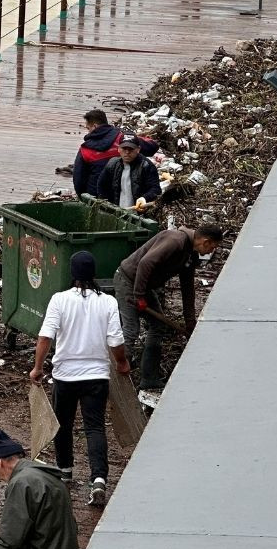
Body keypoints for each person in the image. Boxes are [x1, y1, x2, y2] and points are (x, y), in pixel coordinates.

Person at [30, 251, 130, 507]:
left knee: (63, 424)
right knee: (94, 427)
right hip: (96, 376)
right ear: (94, 273)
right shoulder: (107, 302)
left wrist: (37, 368)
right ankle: (98, 479)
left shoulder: (59, 300)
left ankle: (65, 471)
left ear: (72, 274)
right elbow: (116, 341)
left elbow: (45, 338)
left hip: (65, 376)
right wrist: (121, 363)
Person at [113, 224, 223, 393]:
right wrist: (139, 296)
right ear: (206, 241)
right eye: (212, 247)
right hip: (128, 280)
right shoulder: (175, 241)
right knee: (131, 330)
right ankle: (115, 382)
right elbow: (145, 263)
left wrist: (190, 323)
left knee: (158, 326)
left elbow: (188, 289)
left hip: (144, 286)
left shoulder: (190, 255)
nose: (210, 252)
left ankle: (149, 379)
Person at [98, 134, 162, 209]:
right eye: (124, 148)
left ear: (138, 149)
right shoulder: (112, 164)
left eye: (131, 149)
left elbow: (156, 189)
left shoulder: (146, 166)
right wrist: (106, 205)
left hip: (137, 212)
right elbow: (101, 186)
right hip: (116, 210)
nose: (127, 152)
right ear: (118, 149)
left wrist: (144, 198)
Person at [72, 109, 124, 198]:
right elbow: (150, 147)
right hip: (120, 193)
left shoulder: (85, 149)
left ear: (95, 126)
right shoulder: (121, 139)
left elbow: (78, 178)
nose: (88, 132)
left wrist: (82, 196)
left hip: (94, 195)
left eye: (88, 128)